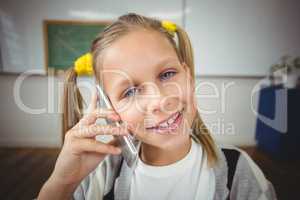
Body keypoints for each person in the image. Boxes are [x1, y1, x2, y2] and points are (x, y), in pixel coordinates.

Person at [37, 13, 277, 200]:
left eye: (167, 74)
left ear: (188, 76)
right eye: (130, 91)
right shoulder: (98, 176)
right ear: (111, 109)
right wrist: (60, 184)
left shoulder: (239, 171)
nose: (159, 100)